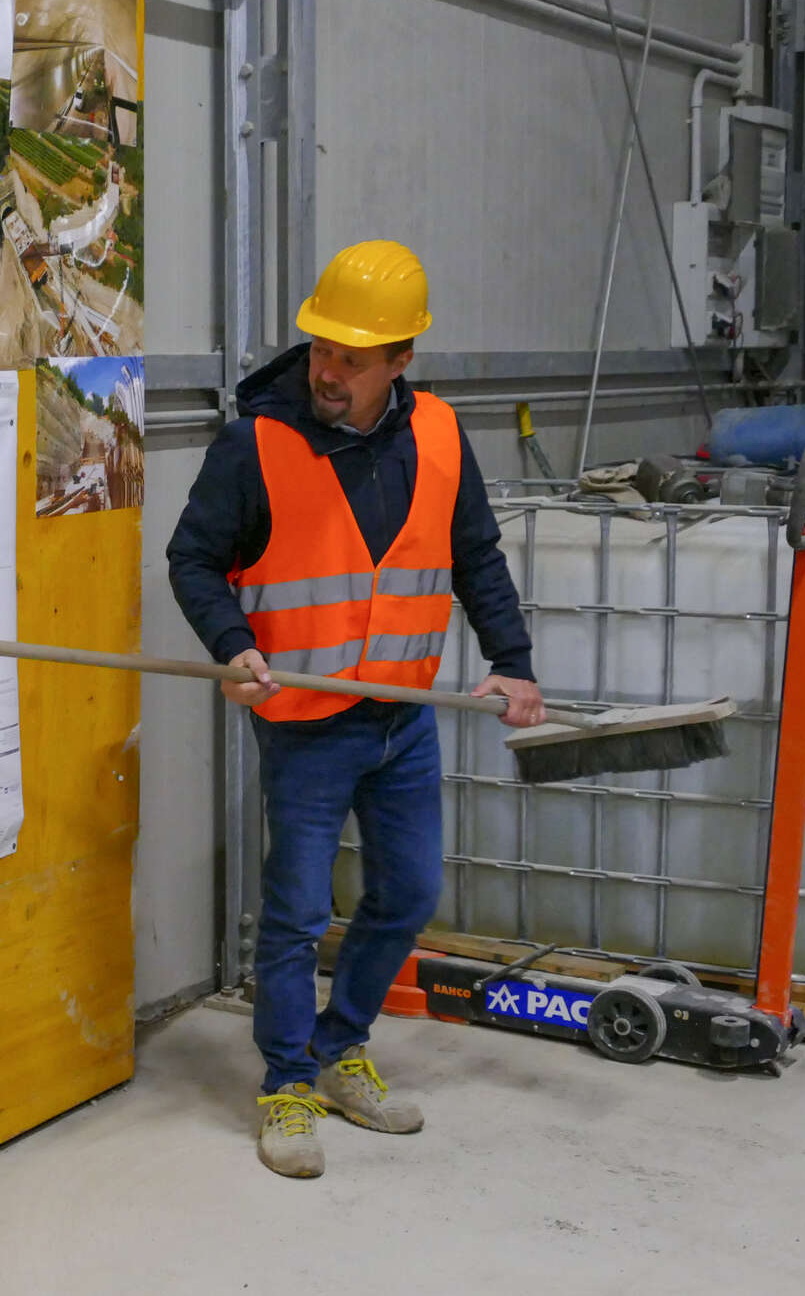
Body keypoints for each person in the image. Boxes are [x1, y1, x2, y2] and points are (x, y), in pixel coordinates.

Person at [165, 239, 545, 1179]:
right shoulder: (256, 443)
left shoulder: (442, 436)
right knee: (296, 912)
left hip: (402, 715)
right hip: (304, 721)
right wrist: (232, 645)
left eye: (353, 358)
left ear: (401, 359)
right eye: (322, 348)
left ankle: (339, 1048)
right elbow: (193, 558)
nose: (328, 371)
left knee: (409, 892)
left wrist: (513, 662)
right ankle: (287, 1083)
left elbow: (475, 557)